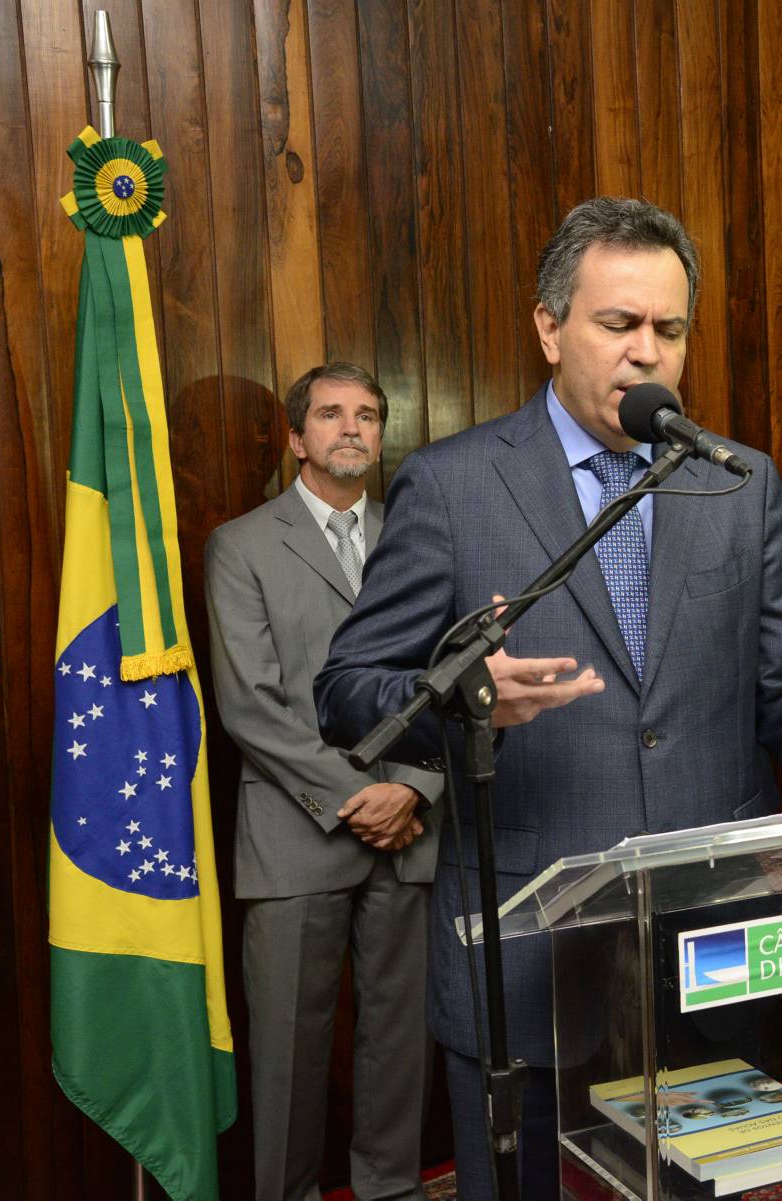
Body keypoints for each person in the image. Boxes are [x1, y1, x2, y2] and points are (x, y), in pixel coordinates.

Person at [314, 197, 782, 1200]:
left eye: (668, 329)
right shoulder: (454, 488)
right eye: (618, 324)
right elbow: (348, 690)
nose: (646, 353)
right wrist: (464, 697)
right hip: (533, 960)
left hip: (709, 950)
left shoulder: (740, 483)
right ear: (549, 328)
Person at [204, 363, 445, 1201]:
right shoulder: (240, 545)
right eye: (332, 413)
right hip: (295, 835)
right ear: (297, 437)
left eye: (369, 414)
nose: (352, 427)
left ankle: (390, 1189)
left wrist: (412, 787)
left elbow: (449, 676)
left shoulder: (422, 538)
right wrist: (360, 797)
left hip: (409, 831)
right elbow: (251, 705)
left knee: (399, 1043)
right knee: (288, 1056)